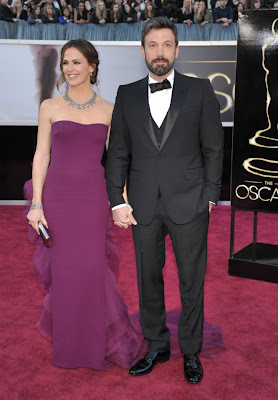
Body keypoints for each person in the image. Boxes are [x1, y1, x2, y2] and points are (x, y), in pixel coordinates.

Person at [106, 17, 224, 384]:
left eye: (166, 44)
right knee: (147, 279)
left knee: (192, 280)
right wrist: (116, 200)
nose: (160, 52)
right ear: (142, 51)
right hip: (142, 205)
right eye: (153, 45)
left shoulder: (200, 90)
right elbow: (118, 154)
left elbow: (214, 148)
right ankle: (156, 345)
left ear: (177, 49)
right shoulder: (126, 93)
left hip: (191, 202)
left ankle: (190, 349)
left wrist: (210, 196)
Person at [24, 39, 148, 370]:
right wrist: (36, 204)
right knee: (64, 275)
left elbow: (117, 160)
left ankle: (94, 346)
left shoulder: (110, 109)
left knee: (92, 271)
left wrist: (119, 201)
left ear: (92, 66)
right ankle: (67, 348)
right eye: (65, 63)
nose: (70, 69)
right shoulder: (49, 107)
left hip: (93, 200)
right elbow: (41, 155)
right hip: (57, 199)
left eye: (77, 62)